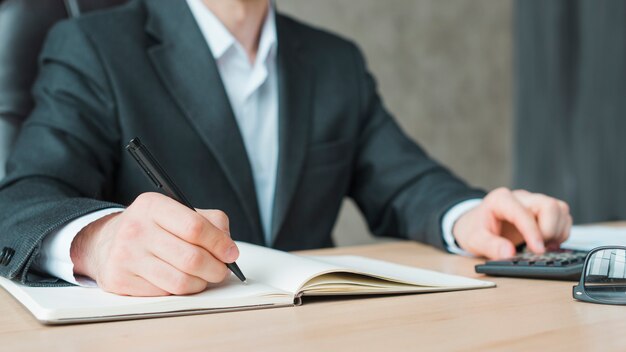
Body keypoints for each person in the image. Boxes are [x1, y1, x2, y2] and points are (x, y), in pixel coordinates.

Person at [0, 0, 571, 297]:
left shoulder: (334, 61)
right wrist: (98, 244)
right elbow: (21, 199)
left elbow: (406, 180)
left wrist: (472, 214)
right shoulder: (93, 46)